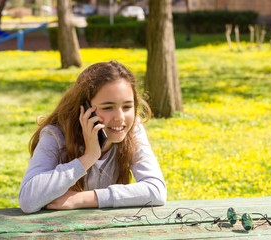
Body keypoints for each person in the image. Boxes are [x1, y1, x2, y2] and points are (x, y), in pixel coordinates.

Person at [18, 61, 167, 213]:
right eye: (108, 107)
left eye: (127, 106)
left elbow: (156, 190)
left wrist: (83, 199)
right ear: (85, 108)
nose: (120, 117)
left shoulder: (134, 130)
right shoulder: (55, 135)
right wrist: (89, 157)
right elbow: (28, 199)